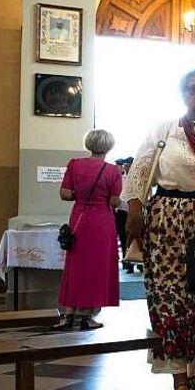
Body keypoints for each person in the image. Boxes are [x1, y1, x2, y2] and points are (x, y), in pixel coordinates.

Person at [123, 70, 195, 390]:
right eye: (193, 89)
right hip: (166, 222)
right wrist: (135, 209)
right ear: (182, 94)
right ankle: (179, 379)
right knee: (170, 300)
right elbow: (139, 170)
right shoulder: (165, 129)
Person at [56, 129, 123, 330]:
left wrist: (82, 196)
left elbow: (65, 194)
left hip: (79, 218)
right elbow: (114, 201)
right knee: (96, 268)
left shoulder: (74, 165)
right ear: (109, 146)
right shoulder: (112, 171)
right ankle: (87, 316)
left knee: (75, 265)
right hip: (101, 221)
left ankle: (67, 315)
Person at [114, 157, 133, 267]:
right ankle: (126, 261)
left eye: (128, 165)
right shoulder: (120, 178)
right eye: (125, 165)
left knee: (135, 235)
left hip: (134, 209)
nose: (126, 167)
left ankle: (137, 260)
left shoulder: (137, 178)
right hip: (121, 210)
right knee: (123, 236)